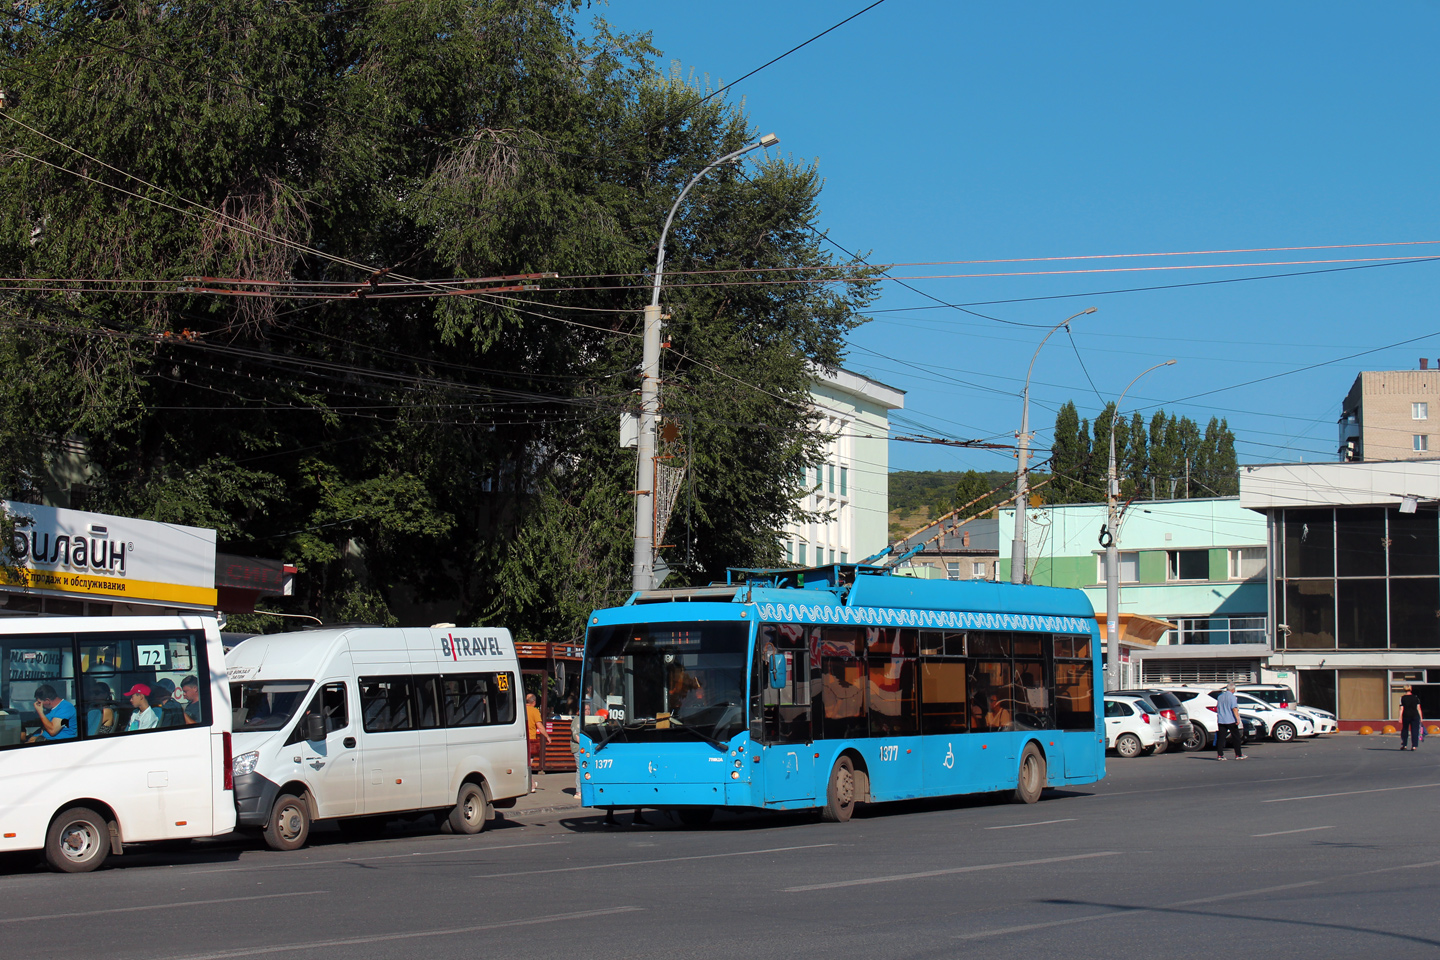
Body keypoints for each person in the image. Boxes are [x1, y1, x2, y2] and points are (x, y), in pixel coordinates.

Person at [1214, 683, 1245, 760]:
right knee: (1236, 737)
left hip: (1221, 720)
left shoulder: (1220, 697)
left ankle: (1220, 755)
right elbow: (1234, 709)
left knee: (1221, 738)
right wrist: (1237, 719)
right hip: (1230, 719)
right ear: (1233, 689)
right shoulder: (1232, 697)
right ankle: (1238, 754)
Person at [525, 693, 550, 788]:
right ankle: (531, 785)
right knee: (528, 764)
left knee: (526, 764)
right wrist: (547, 736)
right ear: (534, 702)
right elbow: (539, 726)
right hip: (531, 740)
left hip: (521, 739)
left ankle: (531, 784)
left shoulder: (521, 709)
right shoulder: (534, 711)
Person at [1400, 685, 1424, 750]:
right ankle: (1414, 746)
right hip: (1415, 715)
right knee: (1414, 730)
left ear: (1404, 690)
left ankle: (1404, 745)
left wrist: (1400, 717)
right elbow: (1418, 708)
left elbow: (1402, 708)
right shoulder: (1415, 697)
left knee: (1405, 730)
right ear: (1411, 689)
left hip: (1406, 715)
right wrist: (1421, 717)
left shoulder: (1403, 698)